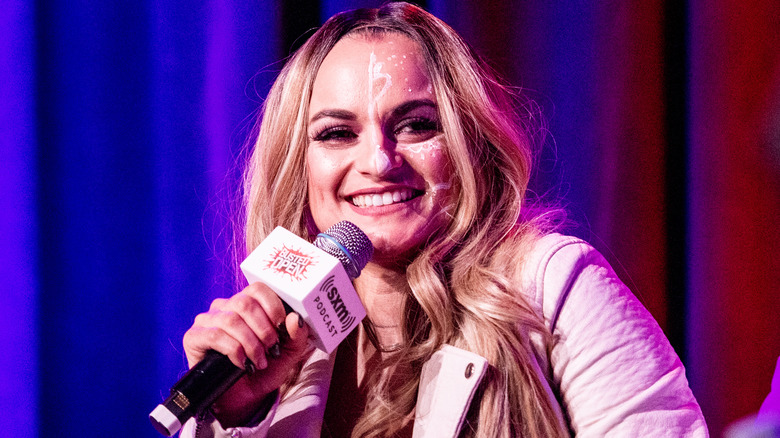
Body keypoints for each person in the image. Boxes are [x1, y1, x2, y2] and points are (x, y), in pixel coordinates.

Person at [179, 2, 708, 437]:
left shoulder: (555, 286)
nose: (379, 162)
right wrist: (236, 414)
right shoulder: (281, 342)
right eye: (338, 134)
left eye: (414, 126)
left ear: (468, 144)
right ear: (298, 163)